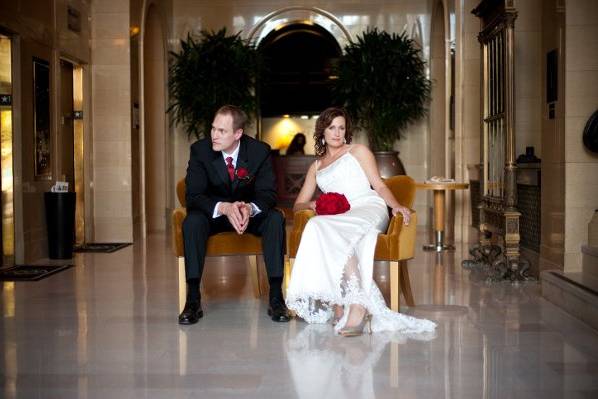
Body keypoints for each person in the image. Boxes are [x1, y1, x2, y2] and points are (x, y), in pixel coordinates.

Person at [285, 107, 436, 336]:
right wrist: (313, 205)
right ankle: (339, 298)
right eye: (331, 128)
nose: (337, 133)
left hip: (367, 206)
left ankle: (357, 304)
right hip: (342, 214)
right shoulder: (316, 167)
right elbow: (298, 205)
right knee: (317, 224)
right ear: (322, 132)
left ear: (346, 131)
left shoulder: (358, 151)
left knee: (331, 229)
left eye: (341, 128)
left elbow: (380, 184)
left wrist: (395, 205)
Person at [179, 105, 290, 325]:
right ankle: (192, 300)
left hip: (247, 215)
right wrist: (224, 208)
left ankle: (276, 297)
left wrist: (249, 208)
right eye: (213, 129)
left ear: (238, 134)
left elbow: (268, 194)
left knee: (275, 218)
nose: (214, 135)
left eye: (222, 131)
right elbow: (194, 196)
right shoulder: (200, 150)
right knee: (192, 222)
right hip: (214, 215)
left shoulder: (259, 151)